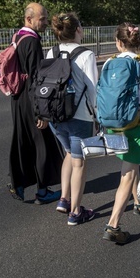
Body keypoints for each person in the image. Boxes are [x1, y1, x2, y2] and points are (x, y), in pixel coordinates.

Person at [102, 22, 140, 244]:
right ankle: (113, 223)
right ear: (139, 41)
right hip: (136, 123)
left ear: (118, 42)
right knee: (128, 173)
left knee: (129, 163)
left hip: (113, 123)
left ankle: (138, 201)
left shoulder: (109, 62)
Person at [7, 3, 64, 204]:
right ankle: (42, 191)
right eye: (42, 19)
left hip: (18, 99)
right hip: (31, 100)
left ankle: (18, 183)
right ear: (29, 19)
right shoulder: (31, 41)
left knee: (23, 141)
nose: (46, 22)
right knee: (43, 144)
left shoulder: (18, 36)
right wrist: (42, 112)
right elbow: (36, 79)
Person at [46, 13, 98, 225]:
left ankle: (63, 199)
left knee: (68, 154)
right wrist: (98, 117)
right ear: (77, 30)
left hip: (55, 116)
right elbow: (93, 89)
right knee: (79, 163)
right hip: (80, 117)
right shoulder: (86, 55)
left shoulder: (52, 51)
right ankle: (76, 212)